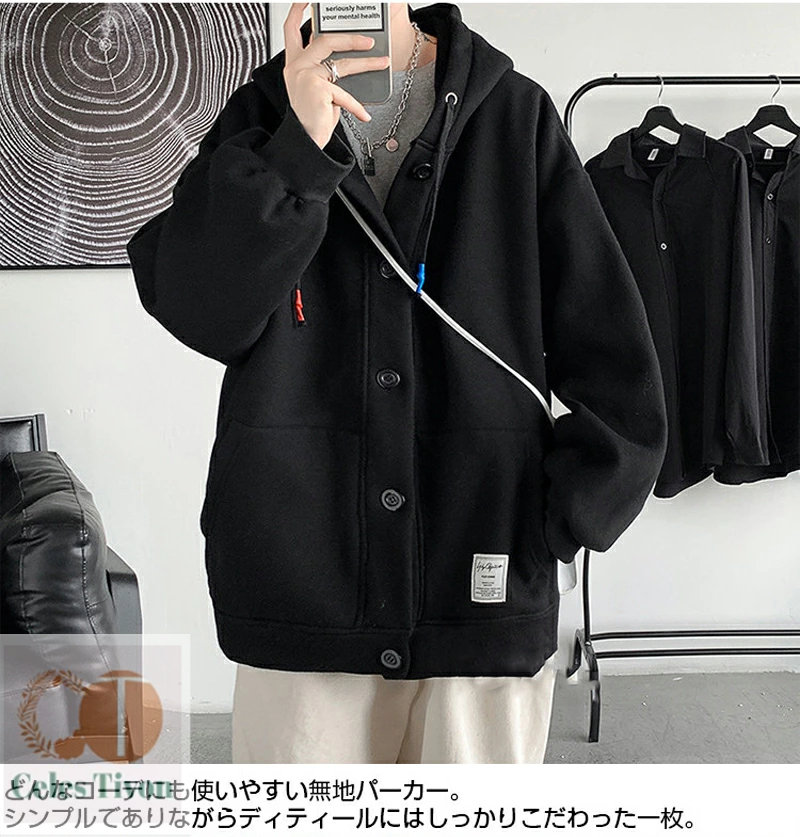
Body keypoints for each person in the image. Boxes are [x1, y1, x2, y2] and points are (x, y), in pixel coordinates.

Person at [127, 2, 668, 763]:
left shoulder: (513, 117)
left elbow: (610, 345)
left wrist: (568, 518)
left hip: (482, 566)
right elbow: (201, 311)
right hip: (303, 582)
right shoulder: (261, 116)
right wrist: (295, 150)